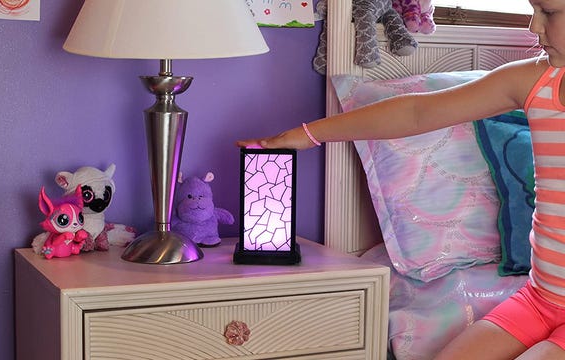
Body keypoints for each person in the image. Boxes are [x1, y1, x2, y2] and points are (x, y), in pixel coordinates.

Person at [237, 1, 565, 359]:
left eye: (549, 12)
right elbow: (416, 111)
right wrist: (304, 135)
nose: (534, 26)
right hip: (540, 298)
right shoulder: (535, 80)